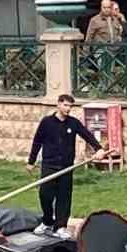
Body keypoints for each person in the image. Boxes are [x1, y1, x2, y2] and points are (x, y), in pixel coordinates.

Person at [26, 93, 100, 238]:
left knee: (64, 197)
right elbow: (37, 142)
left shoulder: (73, 123)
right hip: (49, 165)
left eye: (70, 106)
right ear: (58, 104)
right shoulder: (47, 122)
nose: (68, 109)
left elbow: (87, 135)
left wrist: (99, 149)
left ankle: (60, 227)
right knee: (45, 195)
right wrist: (31, 161)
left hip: (66, 167)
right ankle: (47, 221)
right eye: (65, 105)